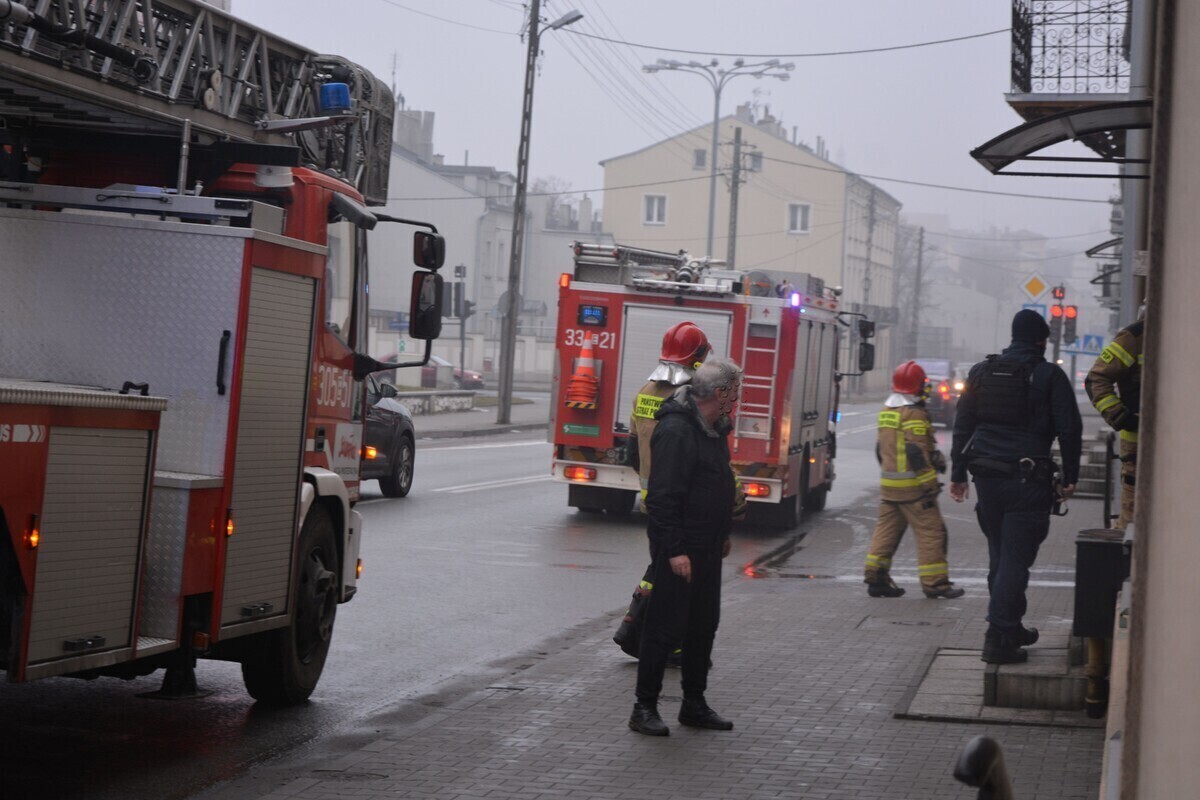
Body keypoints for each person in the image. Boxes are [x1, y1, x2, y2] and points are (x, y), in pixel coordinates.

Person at [950, 309, 1082, 665]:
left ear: (1013, 337)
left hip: (987, 482)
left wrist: (958, 475)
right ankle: (997, 636)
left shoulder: (981, 372)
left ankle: (1010, 629)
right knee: (1013, 561)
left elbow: (963, 426)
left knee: (1001, 558)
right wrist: (1071, 476)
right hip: (1028, 482)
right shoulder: (1048, 375)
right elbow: (1070, 428)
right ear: (1041, 340)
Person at [629, 357, 742, 737]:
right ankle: (643, 708)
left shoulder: (714, 428)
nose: (738, 401)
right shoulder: (677, 430)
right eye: (735, 394)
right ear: (720, 395)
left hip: (708, 547)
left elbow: (718, 485)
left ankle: (694, 704)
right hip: (681, 550)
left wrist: (723, 533)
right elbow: (663, 499)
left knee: (702, 626)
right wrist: (675, 550)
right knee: (663, 629)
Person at [863, 361, 964, 600]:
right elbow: (915, 452)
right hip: (914, 491)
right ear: (917, 387)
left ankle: (876, 579)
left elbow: (882, 450)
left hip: (890, 488)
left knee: (885, 533)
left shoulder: (887, 411)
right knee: (933, 533)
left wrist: (934, 457)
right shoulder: (914, 413)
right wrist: (929, 484)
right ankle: (935, 584)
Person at [1084, 315, 1144, 529]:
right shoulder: (1134, 337)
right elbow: (1096, 379)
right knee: (1133, 520)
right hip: (1138, 448)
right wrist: (1121, 416)